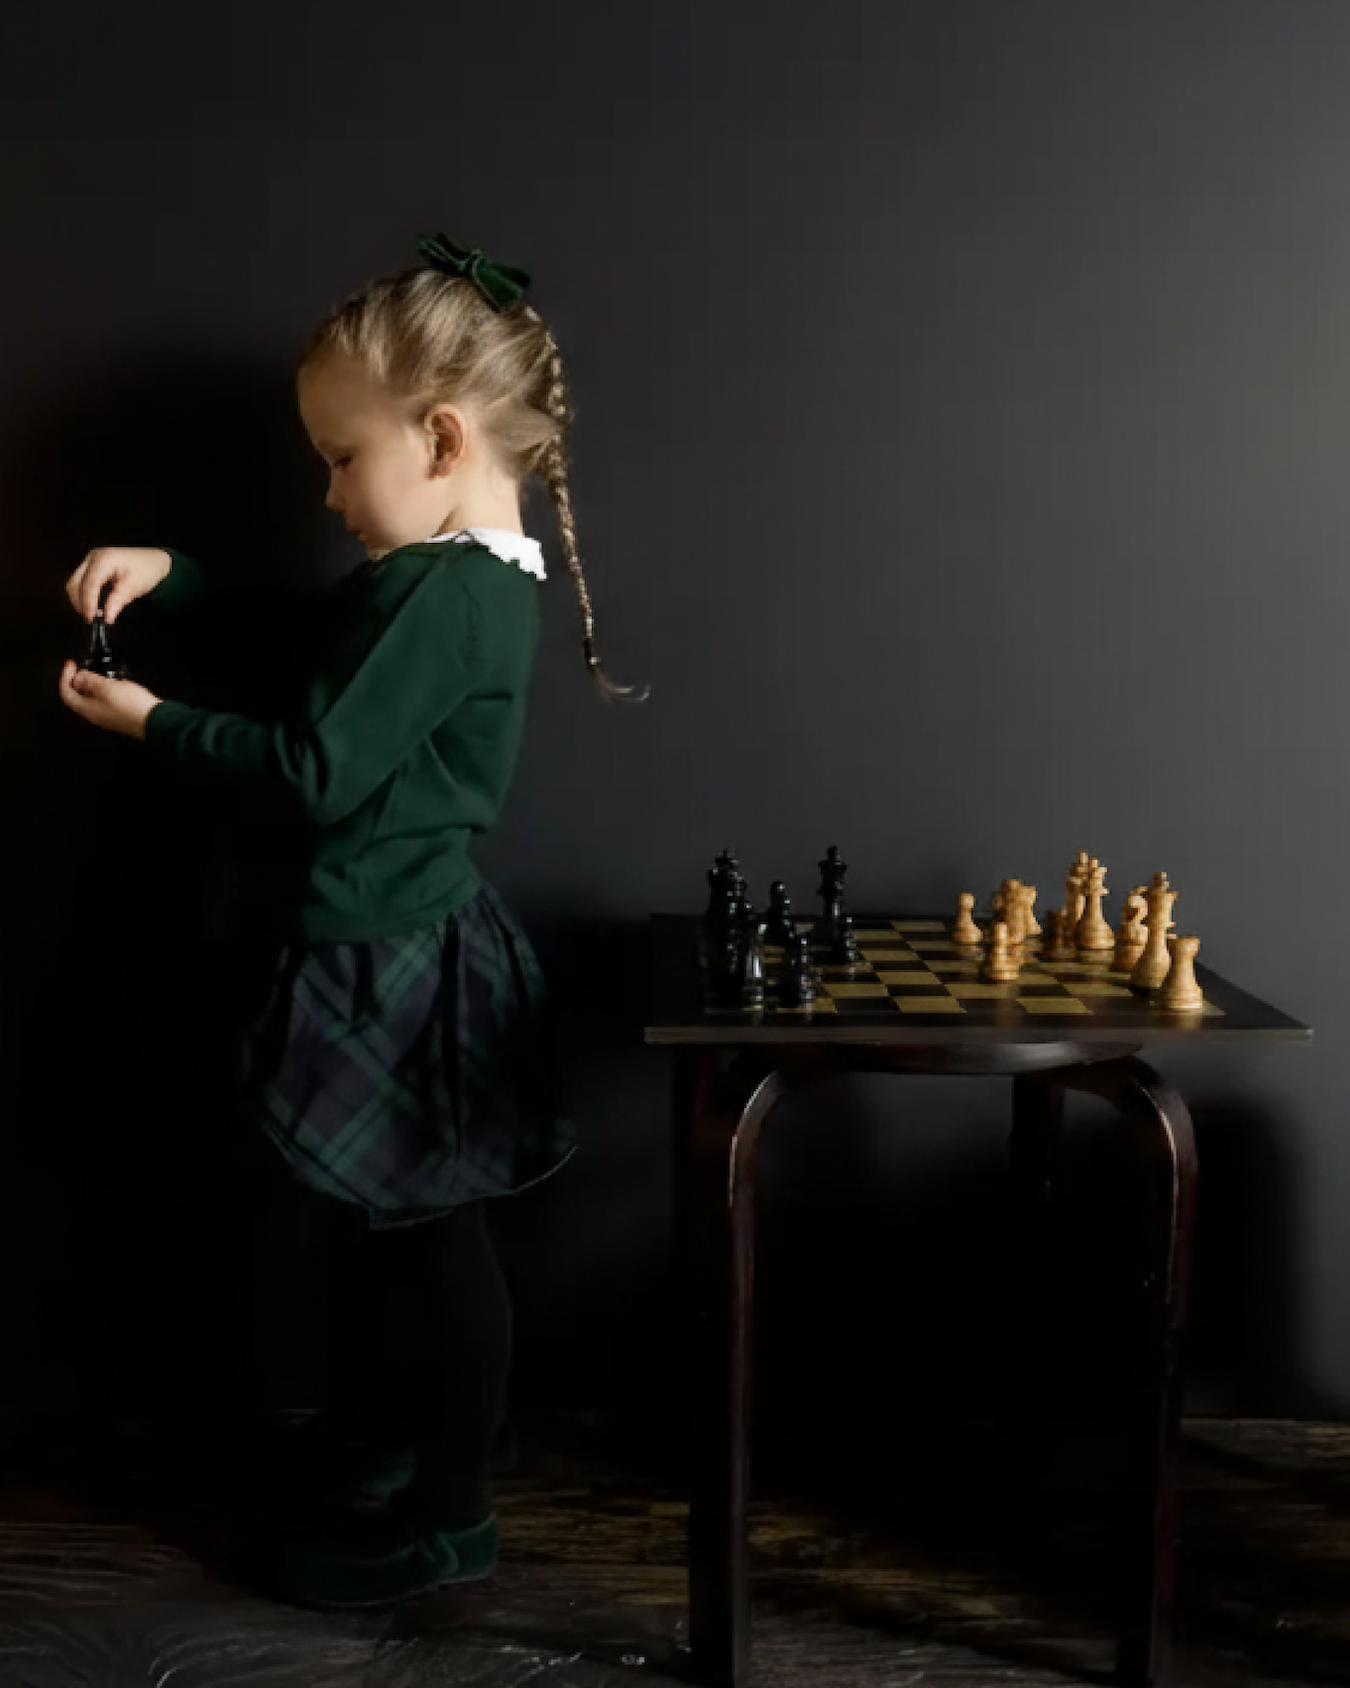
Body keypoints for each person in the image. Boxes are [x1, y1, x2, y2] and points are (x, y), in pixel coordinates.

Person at [57, 232, 650, 1610]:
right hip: (389, 942)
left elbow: (316, 769)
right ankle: (426, 1437)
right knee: (390, 1233)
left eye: (340, 456)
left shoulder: (444, 596)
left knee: (425, 1237)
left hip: (387, 958)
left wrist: (151, 722)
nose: (326, 493)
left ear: (441, 437)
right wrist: (178, 577)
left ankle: (451, 1512)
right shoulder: (454, 581)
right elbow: (320, 650)